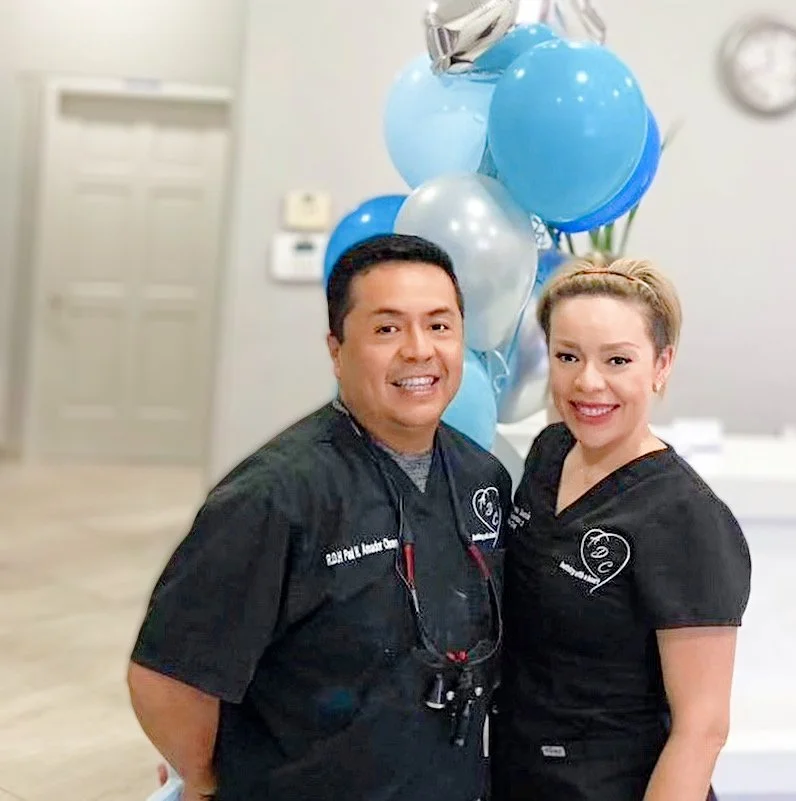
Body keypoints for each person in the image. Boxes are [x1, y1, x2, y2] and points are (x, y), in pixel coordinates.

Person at [127, 233, 512, 801]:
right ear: (336, 348)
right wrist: (211, 781)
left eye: (439, 325)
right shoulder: (274, 498)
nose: (418, 349)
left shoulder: (482, 478)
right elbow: (167, 679)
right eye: (386, 328)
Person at [490, 254, 752, 801]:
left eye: (617, 360)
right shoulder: (549, 451)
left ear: (660, 365)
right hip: (520, 775)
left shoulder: (685, 517)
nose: (588, 382)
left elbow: (702, 729)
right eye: (568, 356)